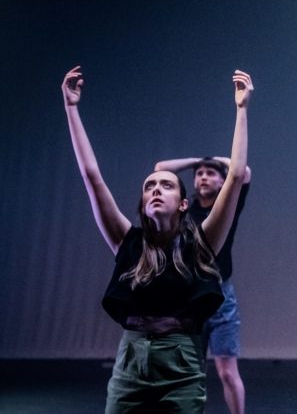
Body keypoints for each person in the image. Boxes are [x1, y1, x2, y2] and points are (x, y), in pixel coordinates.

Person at [62, 65, 253, 413]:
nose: (155, 189)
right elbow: (92, 176)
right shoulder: (128, 241)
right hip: (132, 359)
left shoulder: (202, 242)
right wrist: (71, 109)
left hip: (181, 361)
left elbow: (237, 175)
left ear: (183, 203)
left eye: (166, 185)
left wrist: (241, 110)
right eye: (149, 185)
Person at [152, 155, 252, 414]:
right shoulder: (184, 210)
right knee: (190, 372)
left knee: (228, 373)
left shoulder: (226, 207)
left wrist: (216, 161)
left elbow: (245, 171)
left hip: (221, 298)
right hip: (189, 300)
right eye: (199, 174)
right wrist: (197, 160)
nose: (203, 176)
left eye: (210, 173)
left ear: (222, 182)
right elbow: (160, 168)